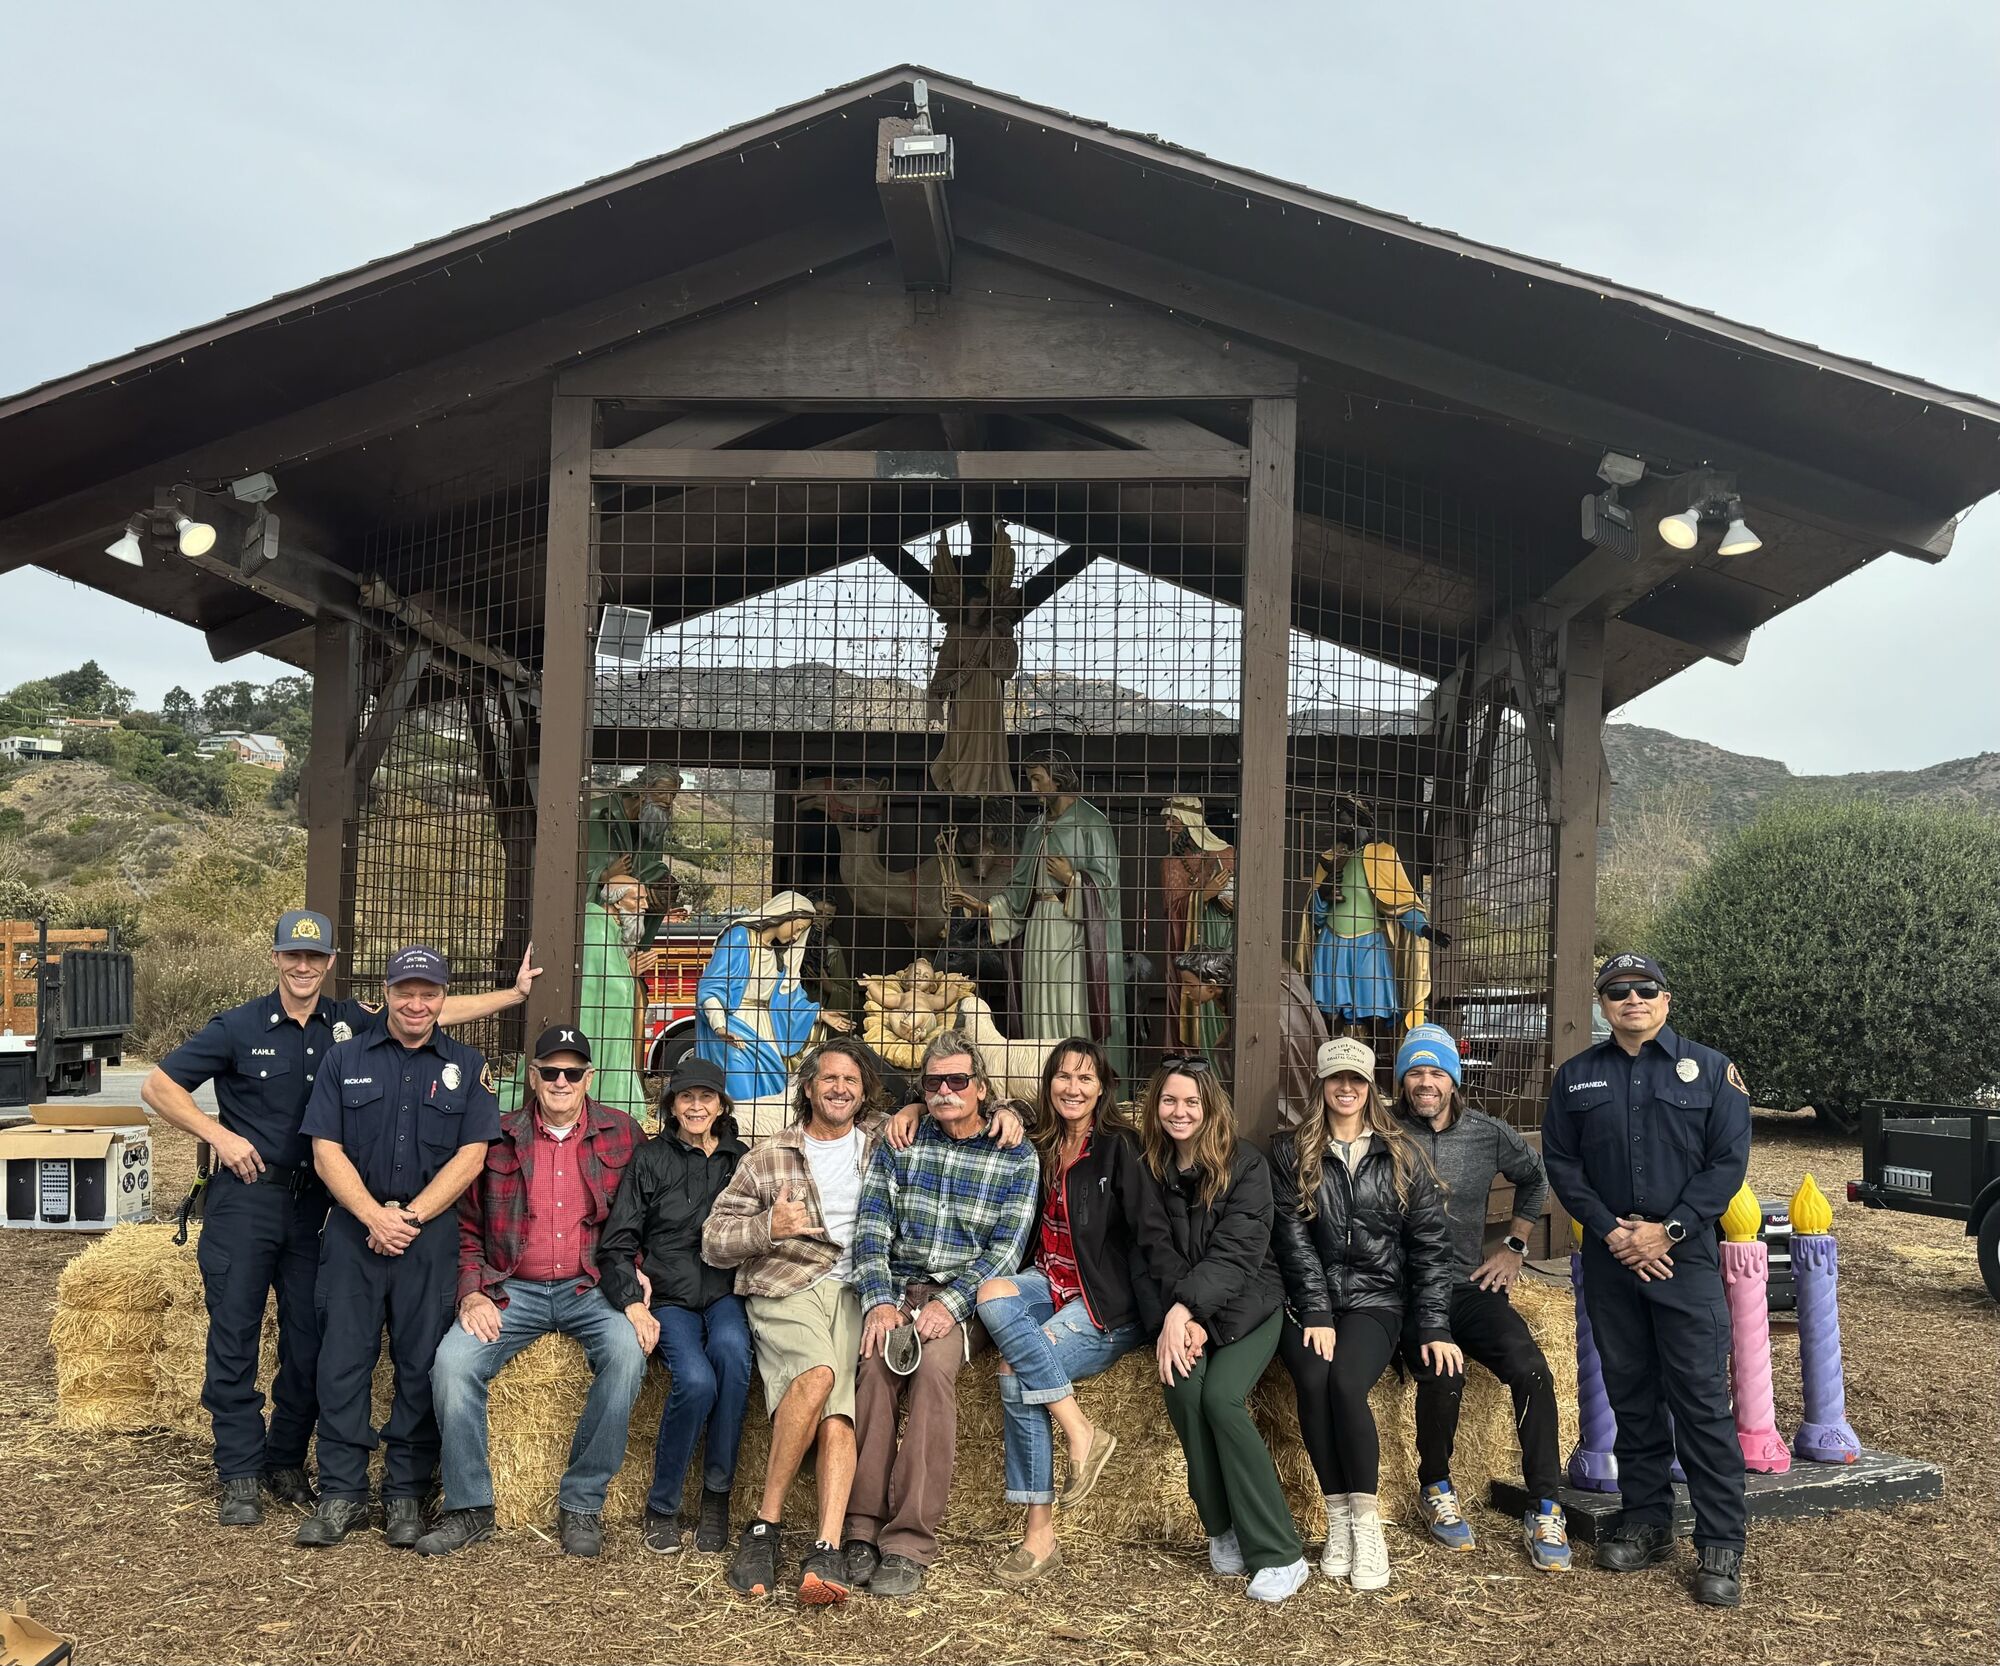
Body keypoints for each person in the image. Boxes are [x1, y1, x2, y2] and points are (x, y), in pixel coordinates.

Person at [139, 911, 536, 1527]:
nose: (303, 967)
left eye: (314, 957)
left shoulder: (349, 1022)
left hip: (320, 1208)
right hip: (251, 1198)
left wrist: (511, 996)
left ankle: (285, 1459)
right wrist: (218, 1135)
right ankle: (240, 1472)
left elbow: (425, 1011)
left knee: (309, 1343)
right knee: (236, 1336)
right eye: (292, 956)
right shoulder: (238, 1026)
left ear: (329, 963)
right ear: (276, 958)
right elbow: (158, 1086)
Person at [1542, 953, 1752, 1607]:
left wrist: (1670, 1231)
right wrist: (1613, 1232)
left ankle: (1720, 1544)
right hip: (1612, 1262)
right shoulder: (1575, 1077)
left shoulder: (1712, 1071)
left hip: (1683, 1261)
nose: (1632, 999)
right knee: (1631, 1398)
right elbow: (1562, 1164)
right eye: (1617, 992)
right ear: (1602, 1006)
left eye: (1645, 989)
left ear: (1666, 999)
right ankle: (1646, 1523)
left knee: (1700, 1403)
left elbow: (1727, 1164)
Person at [294, 947, 503, 1549]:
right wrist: (372, 1216)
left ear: (443, 998)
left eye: (428, 993)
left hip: (427, 1236)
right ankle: (341, 1493)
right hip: (354, 1232)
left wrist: (409, 1218)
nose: (416, 1004)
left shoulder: (467, 1065)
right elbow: (325, 1150)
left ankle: (405, 1494)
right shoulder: (344, 1059)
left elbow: (472, 1156)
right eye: (405, 991)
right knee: (342, 1363)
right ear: (385, 993)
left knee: (419, 1364)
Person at [415, 1025, 647, 1559]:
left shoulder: (623, 1132)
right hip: (511, 1286)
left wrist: (639, 1272)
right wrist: (472, 1292)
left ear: (590, 1077)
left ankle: (583, 1502)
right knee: (452, 1364)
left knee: (627, 1353)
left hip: (591, 1287)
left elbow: (645, 1214)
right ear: (533, 1076)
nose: (561, 1082)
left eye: (572, 1072)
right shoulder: (496, 1135)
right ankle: (469, 1507)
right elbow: (466, 1226)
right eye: (550, 1072)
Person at [847, 1031, 1039, 1598]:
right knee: (874, 1369)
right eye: (933, 1082)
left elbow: (1005, 1252)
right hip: (899, 1288)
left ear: (981, 1088)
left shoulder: (1016, 1155)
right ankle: (859, 1529)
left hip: (965, 1296)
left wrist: (949, 1306)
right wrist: (880, 1301)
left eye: (958, 1080)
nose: (945, 1090)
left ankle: (909, 1542)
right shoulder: (900, 1140)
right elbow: (871, 1229)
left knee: (933, 1372)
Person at [1271, 1037, 1459, 1591]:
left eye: (1356, 1079)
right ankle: (1337, 1519)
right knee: (1312, 1380)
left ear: (1371, 1086)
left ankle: (1367, 1522)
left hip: (1377, 1299)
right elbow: (1292, 1241)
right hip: (1308, 1301)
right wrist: (1315, 1311)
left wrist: (1434, 1324)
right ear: (1321, 1085)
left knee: (1346, 1384)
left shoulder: (1401, 1152)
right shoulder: (1290, 1152)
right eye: (1336, 1078)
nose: (1346, 1088)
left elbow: (1431, 1245)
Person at [701, 1037, 884, 1605]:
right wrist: (769, 1228)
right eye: (829, 1078)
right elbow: (713, 1240)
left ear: (864, 1093)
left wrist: (1005, 1111)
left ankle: (826, 1547)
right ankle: (765, 1527)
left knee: (840, 1414)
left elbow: (957, 1111)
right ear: (807, 1087)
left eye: (851, 1081)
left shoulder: (882, 1144)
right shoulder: (769, 1155)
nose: (840, 1089)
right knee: (818, 1375)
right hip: (788, 1283)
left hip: (854, 1290)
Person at [1131, 1056, 1310, 1605]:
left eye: (1192, 1102)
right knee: (1184, 1389)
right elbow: (1153, 1250)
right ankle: (1221, 1526)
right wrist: (1180, 1316)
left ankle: (1280, 1553)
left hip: (1250, 1304)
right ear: (1155, 1106)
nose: (1179, 1111)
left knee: (1222, 1399)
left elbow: (1239, 1254)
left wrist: (1187, 1312)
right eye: (1169, 1100)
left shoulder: (1246, 1165)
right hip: (1185, 1310)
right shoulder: (1150, 1166)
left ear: (1210, 1108)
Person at [1390, 1025, 1568, 1570]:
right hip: (1407, 1292)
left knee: (1532, 1369)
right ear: (1401, 1082)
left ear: (1454, 1081)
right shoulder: (1383, 1132)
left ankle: (1545, 1505)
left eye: (1436, 1072)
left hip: (1470, 1285)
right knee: (1444, 1374)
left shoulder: (1486, 1133)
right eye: (1415, 1072)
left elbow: (1536, 1178)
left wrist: (1514, 1246)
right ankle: (1436, 1485)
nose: (1426, 1082)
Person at [973, 1038, 1147, 1585]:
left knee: (1014, 1371)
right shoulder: (1043, 1143)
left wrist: (1173, 1313)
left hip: (1103, 1302)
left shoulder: (1121, 1147)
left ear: (1103, 1089)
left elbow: (1151, 1233)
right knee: (991, 1293)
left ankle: (1039, 1535)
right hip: (1050, 1281)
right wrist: (912, 1106)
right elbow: (980, 1106)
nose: (1073, 1088)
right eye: (1063, 1076)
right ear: (1048, 1082)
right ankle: (1081, 1427)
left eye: (1085, 1078)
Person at [597, 1055, 752, 1557]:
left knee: (732, 1355)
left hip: (726, 1293)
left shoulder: (741, 1160)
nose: (696, 1106)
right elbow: (617, 1241)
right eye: (686, 1097)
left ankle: (716, 1496)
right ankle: (662, 1503)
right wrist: (631, 1300)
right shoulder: (650, 1158)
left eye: (706, 1097)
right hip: (669, 1298)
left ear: (722, 1105)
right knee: (697, 1380)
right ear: (671, 1105)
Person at [949, 749, 1129, 1083]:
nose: (1032, 788)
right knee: (1037, 1008)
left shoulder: (1093, 824)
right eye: (1029, 779)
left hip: (1074, 930)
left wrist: (1072, 879)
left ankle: (1078, 1080)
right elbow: (1021, 888)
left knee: (1070, 1007)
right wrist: (985, 907)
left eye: (1037, 779)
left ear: (1058, 778)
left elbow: (1109, 887)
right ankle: (1040, 1083)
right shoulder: (1036, 827)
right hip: (1037, 930)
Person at [695, 890, 852, 1123]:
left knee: (770, 1095)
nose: (797, 935)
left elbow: (787, 999)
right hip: (734, 1025)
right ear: (785, 915)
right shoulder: (740, 937)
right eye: (797, 928)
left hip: (765, 1029)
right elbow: (711, 987)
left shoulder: (779, 954)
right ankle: (732, 1134)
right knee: (741, 1092)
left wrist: (819, 1014)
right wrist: (719, 1025)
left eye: (802, 932)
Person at [1160, 796, 1235, 1056]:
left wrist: (1230, 902)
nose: (1167, 827)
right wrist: (1204, 895)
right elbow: (1171, 911)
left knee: (1222, 994)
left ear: (1190, 822)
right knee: (1195, 996)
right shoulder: (1170, 863)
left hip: (1222, 937)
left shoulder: (1227, 853)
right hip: (1191, 942)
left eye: (1172, 820)